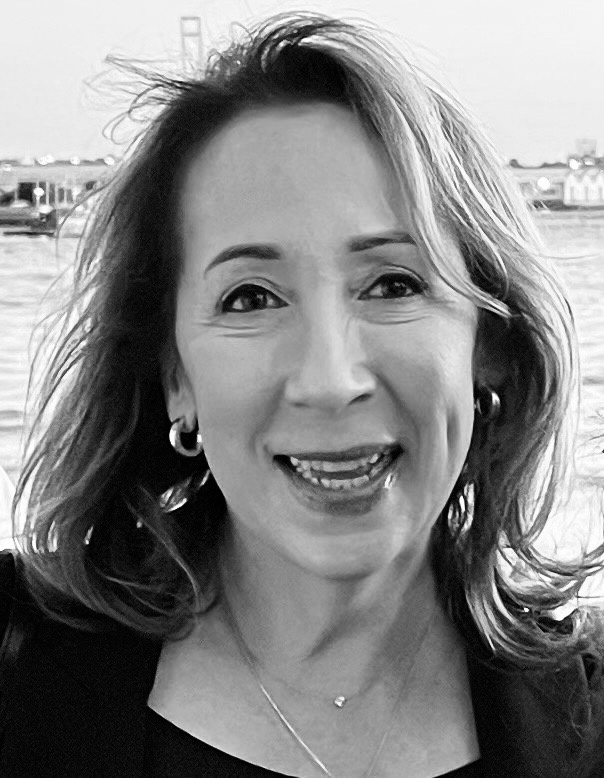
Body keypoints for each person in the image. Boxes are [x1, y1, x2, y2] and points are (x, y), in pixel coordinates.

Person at [1, 12, 603, 777]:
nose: (330, 380)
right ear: (174, 376)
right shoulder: (16, 670)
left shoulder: (588, 725)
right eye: (250, 298)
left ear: (490, 346)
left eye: (393, 284)